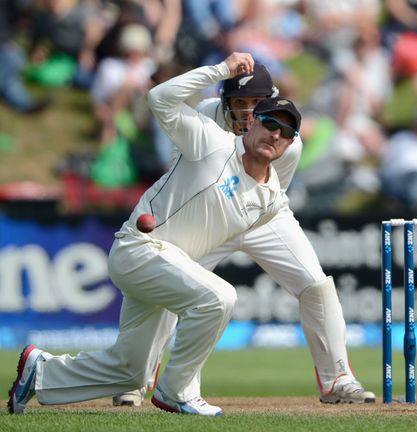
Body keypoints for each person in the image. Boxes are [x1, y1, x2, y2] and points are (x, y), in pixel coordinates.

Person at [7, 52, 303, 416]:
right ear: (252, 121)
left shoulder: (272, 199)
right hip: (141, 248)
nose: (275, 134)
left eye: (285, 131)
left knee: (131, 371)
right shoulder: (210, 140)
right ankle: (177, 391)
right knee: (220, 297)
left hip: (171, 264)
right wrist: (221, 71)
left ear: (291, 143)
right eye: (269, 122)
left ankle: (41, 373)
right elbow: (158, 98)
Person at [111, 61, 375, 407]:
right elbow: (181, 162)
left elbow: (272, 191)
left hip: (262, 215)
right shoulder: (205, 115)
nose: (248, 112)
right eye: (240, 102)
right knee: (174, 282)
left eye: (256, 102)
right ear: (225, 102)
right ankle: (137, 378)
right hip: (205, 208)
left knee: (316, 283)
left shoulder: (287, 142)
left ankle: (337, 378)